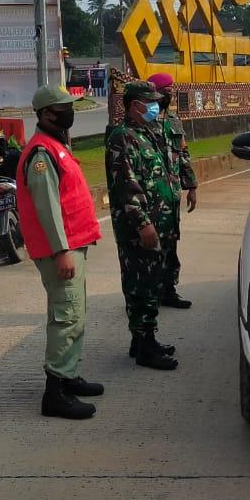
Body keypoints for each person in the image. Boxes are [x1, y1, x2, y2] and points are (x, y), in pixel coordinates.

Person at [16, 85, 105, 420]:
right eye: (63, 108)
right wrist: (61, 251)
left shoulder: (54, 146)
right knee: (65, 317)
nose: (69, 114)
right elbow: (48, 208)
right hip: (61, 251)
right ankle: (55, 392)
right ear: (45, 115)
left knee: (75, 313)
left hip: (72, 246)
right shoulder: (42, 154)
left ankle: (68, 375)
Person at [105, 81, 180, 370]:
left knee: (149, 282)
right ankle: (145, 344)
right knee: (142, 284)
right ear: (134, 105)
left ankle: (142, 340)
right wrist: (143, 224)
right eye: (149, 103)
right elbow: (127, 184)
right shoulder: (122, 137)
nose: (155, 108)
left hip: (156, 224)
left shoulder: (144, 134)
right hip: (139, 229)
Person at [146, 72, 198, 309]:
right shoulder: (144, 122)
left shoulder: (175, 121)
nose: (171, 95)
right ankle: (149, 294)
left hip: (172, 195)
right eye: (167, 91)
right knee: (150, 247)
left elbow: (183, 155)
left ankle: (169, 290)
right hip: (151, 198)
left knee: (170, 244)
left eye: (172, 91)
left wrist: (192, 187)